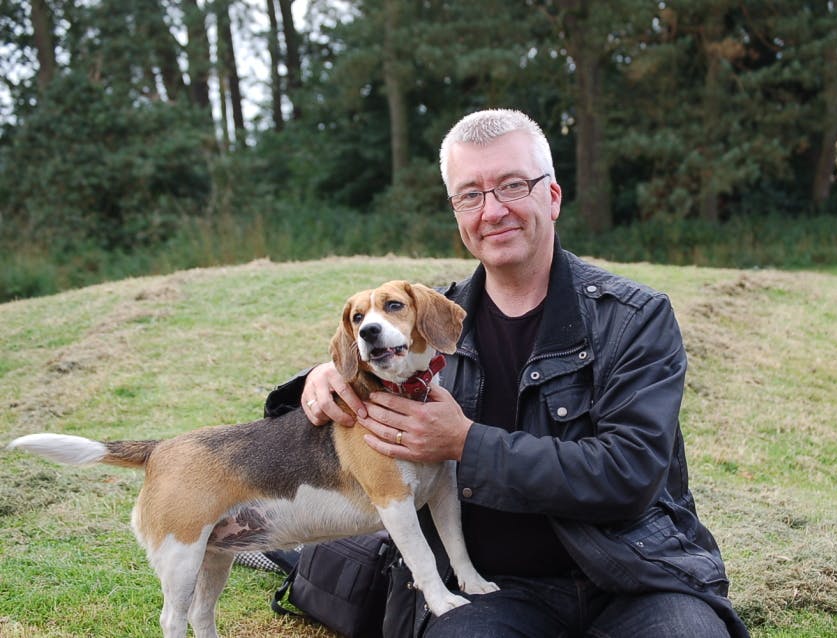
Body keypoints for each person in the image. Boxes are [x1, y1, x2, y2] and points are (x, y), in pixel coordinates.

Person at [265, 109, 748, 637]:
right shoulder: (427, 321)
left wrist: (465, 443)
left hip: (636, 578)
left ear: (554, 196)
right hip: (487, 588)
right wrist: (317, 382)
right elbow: (330, 429)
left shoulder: (634, 318)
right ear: (457, 214)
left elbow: (628, 474)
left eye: (512, 185)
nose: (492, 211)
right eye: (470, 195)